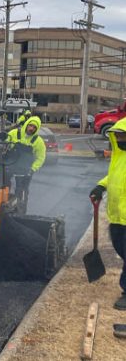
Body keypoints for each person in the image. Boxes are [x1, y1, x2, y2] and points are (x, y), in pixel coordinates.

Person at [90, 117, 126, 310]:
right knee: (120, 249)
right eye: (118, 136)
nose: (120, 140)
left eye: (123, 136)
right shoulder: (119, 156)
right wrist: (100, 187)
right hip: (117, 216)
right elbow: (113, 176)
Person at [3, 115, 46, 209]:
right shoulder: (14, 133)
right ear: (26, 125)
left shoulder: (38, 142)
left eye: (34, 127)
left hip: (25, 168)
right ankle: (5, 202)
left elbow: (41, 157)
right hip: (10, 164)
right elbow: (4, 144)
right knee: (4, 184)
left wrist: (33, 169)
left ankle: (20, 208)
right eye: (30, 126)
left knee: (21, 189)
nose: (31, 128)